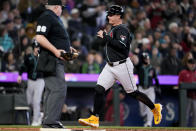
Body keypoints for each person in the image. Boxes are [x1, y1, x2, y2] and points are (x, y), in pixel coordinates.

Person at [78, 5, 162, 128]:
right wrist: (104, 37)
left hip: (122, 66)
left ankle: (154, 108)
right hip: (110, 66)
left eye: (111, 14)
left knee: (133, 93)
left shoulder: (122, 29)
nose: (108, 16)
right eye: (108, 14)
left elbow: (121, 46)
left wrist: (106, 37)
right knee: (99, 89)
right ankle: (95, 118)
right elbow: (110, 45)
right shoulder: (113, 28)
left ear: (118, 16)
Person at [35, 0, 77, 128]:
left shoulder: (52, 17)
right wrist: (56, 51)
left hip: (52, 58)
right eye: (61, 8)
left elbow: (54, 37)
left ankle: (48, 121)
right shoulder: (47, 16)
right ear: (57, 7)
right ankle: (50, 122)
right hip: (50, 59)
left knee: (51, 90)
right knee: (58, 89)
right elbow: (39, 37)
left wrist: (67, 48)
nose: (62, 10)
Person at [17, 41, 45, 126]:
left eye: (39, 47)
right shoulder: (29, 57)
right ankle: (39, 114)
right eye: (36, 47)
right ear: (33, 48)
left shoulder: (42, 57)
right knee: (29, 101)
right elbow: (23, 66)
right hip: (30, 80)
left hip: (40, 80)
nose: (38, 49)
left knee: (36, 101)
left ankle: (35, 120)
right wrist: (20, 75)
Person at [136, 52, 160, 127]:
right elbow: (135, 63)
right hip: (141, 89)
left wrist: (158, 86)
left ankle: (149, 122)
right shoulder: (139, 67)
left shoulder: (152, 68)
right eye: (145, 59)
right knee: (142, 110)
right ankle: (146, 117)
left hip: (150, 89)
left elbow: (155, 78)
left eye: (147, 58)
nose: (147, 60)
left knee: (151, 105)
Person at [178, 54, 196, 127]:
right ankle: (184, 128)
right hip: (186, 98)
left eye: (193, 63)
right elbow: (179, 83)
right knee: (185, 115)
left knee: (195, 115)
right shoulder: (183, 72)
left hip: (195, 97)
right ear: (187, 64)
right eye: (191, 63)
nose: (192, 65)